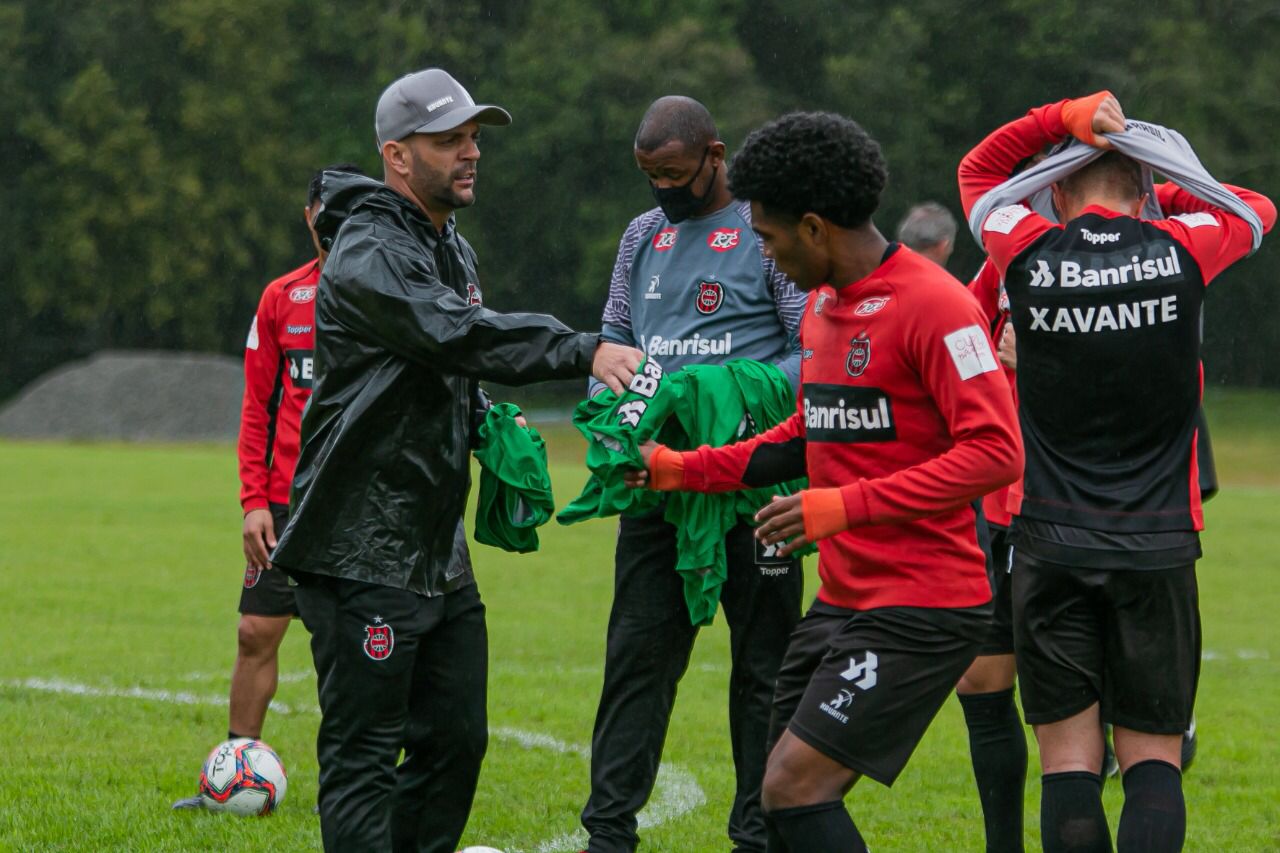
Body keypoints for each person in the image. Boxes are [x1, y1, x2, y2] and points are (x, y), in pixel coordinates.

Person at [268, 68, 643, 853]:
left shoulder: (450, 246)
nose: (471, 153)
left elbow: (443, 368)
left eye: (474, 137)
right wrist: (581, 348)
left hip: (435, 548)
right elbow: (450, 333)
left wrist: (487, 427)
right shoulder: (368, 249)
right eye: (450, 141)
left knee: (455, 740)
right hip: (360, 542)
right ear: (397, 156)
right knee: (365, 755)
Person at [627, 110, 1023, 853]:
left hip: (925, 604)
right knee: (776, 802)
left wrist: (843, 507)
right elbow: (808, 433)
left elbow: (997, 452)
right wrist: (680, 468)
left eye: (769, 239)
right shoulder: (822, 308)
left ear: (813, 228)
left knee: (791, 787)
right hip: (843, 601)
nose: (767, 257)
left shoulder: (937, 305)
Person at [958, 91, 1275, 852]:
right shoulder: (1184, 247)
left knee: (1069, 763)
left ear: (1057, 191)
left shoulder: (1025, 249)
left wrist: (1064, 122)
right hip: (1159, 545)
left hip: (1049, 541)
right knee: (1152, 761)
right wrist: (1155, 174)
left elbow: (981, 171)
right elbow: (1256, 206)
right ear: (1146, 190)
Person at [579, 95, 807, 853]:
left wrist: (727, 401)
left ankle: (759, 832)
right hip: (660, 487)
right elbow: (615, 339)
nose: (662, 191)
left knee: (766, 668)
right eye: (649, 176)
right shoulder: (643, 236)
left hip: (756, 490)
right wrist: (615, 419)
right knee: (636, 663)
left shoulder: (767, 231)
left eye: (674, 174)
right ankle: (608, 833)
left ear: (716, 155)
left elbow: (811, 348)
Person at [171, 162, 364, 812]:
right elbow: (257, 407)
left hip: (363, 506)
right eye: (326, 209)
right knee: (256, 631)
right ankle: (233, 765)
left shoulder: (392, 295)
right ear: (309, 215)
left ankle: (358, 784)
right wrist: (254, 500)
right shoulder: (283, 297)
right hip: (286, 504)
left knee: (356, 645)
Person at [895, 200, 958, 267]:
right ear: (943, 245)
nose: (951, 250)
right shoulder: (939, 277)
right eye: (950, 247)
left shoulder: (885, 272)